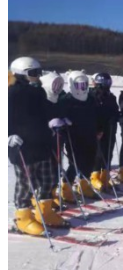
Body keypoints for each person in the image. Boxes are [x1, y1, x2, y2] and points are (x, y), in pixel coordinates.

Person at [9, 57, 69, 234]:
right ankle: (23, 218)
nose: (37, 77)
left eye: (39, 73)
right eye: (33, 73)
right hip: (23, 147)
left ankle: (45, 211)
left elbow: (45, 112)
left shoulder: (38, 92)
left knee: (48, 180)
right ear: (21, 74)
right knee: (26, 183)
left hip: (42, 143)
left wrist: (54, 120)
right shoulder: (10, 93)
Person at [61, 71, 100, 198]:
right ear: (72, 85)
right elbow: (59, 115)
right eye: (78, 86)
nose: (82, 88)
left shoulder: (90, 99)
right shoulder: (66, 100)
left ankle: (84, 186)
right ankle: (66, 188)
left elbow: (97, 115)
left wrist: (99, 129)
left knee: (89, 161)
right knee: (75, 163)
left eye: (84, 85)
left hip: (90, 134)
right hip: (74, 137)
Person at [40, 71, 74, 204]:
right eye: (55, 85)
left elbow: (61, 111)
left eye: (60, 85)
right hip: (44, 142)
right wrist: (49, 123)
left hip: (58, 138)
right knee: (46, 170)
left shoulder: (58, 100)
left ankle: (53, 193)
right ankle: (44, 195)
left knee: (56, 167)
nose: (57, 88)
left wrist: (63, 119)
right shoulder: (41, 100)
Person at [90, 72, 120, 191]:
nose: (106, 85)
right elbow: (93, 114)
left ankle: (104, 176)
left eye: (107, 82)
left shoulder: (111, 97)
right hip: (98, 129)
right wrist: (97, 129)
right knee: (98, 153)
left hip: (110, 128)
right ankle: (94, 176)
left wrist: (117, 117)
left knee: (108, 151)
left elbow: (114, 110)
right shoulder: (92, 96)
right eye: (104, 82)